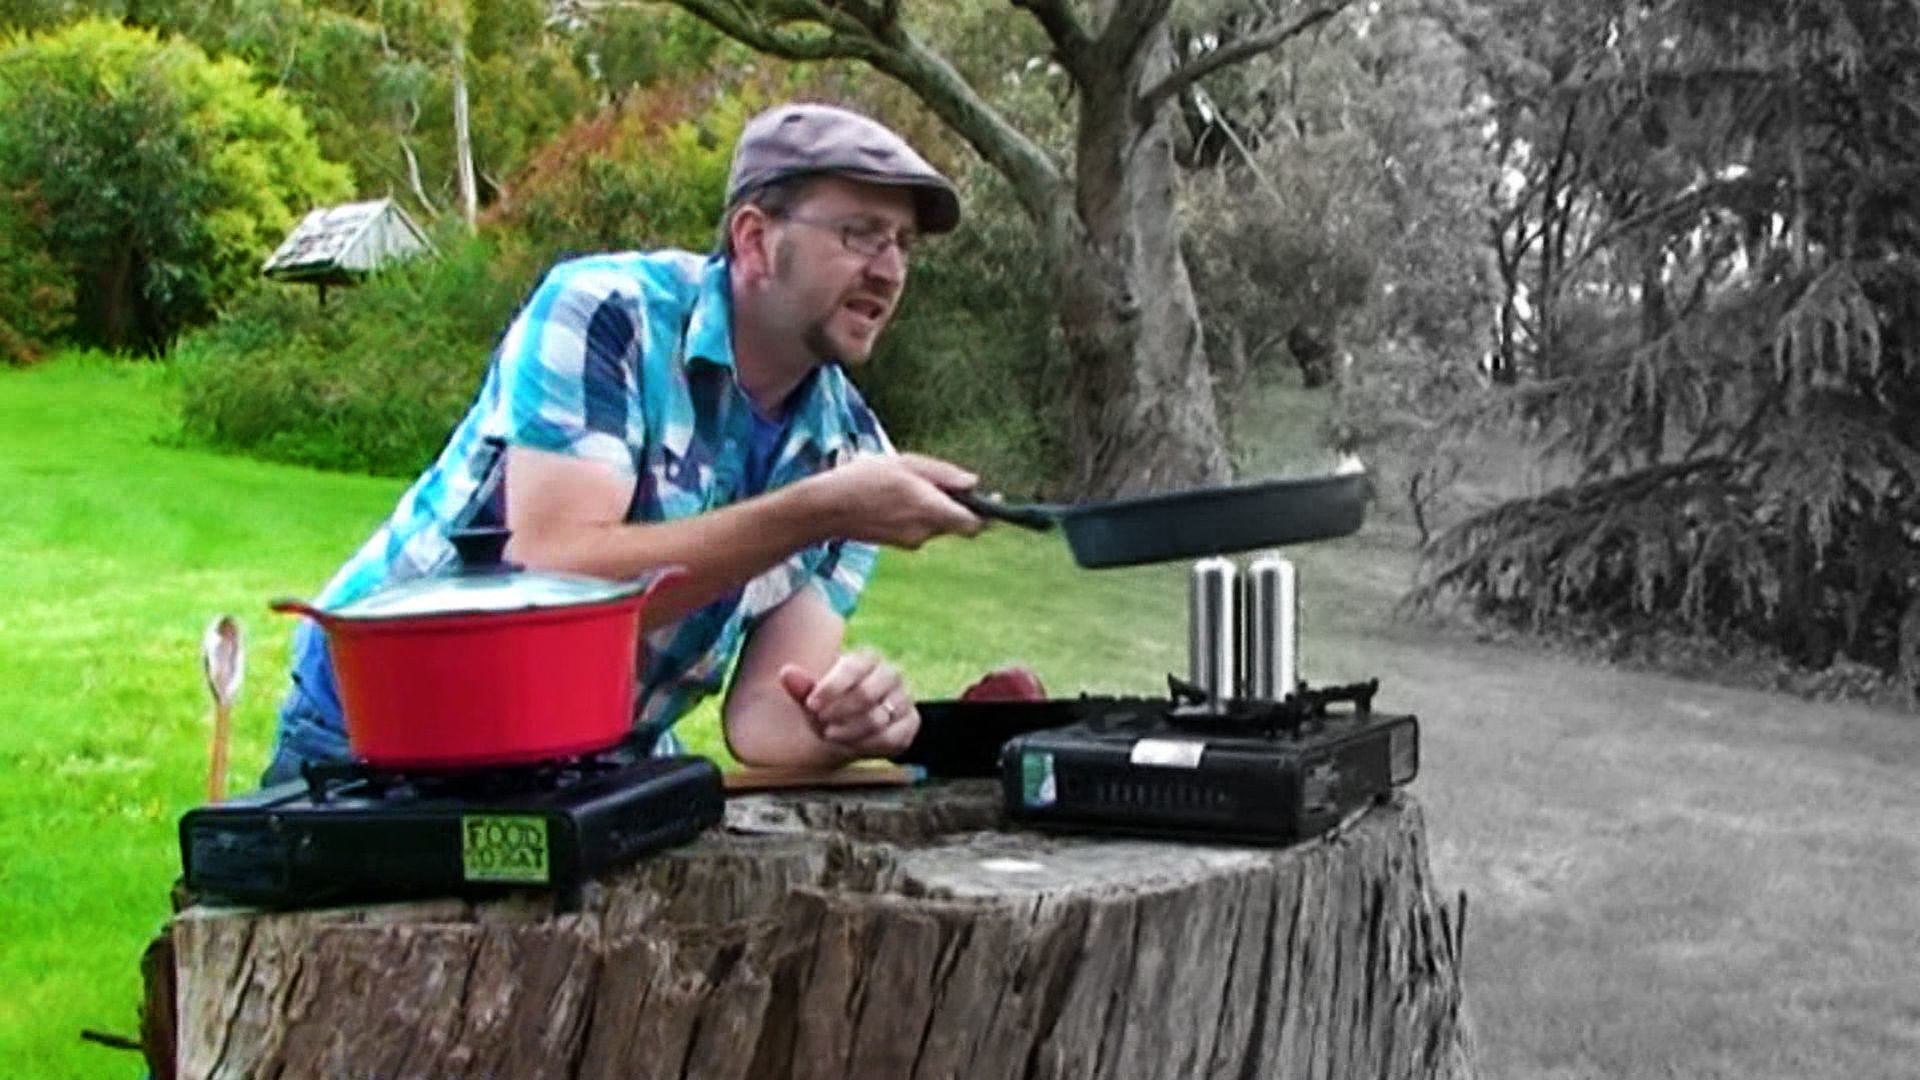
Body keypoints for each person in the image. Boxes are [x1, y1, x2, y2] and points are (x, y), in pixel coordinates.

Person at [261, 101, 988, 785]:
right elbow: (549, 576)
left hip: (592, 759)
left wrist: (851, 724)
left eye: (901, 244)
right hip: (384, 727)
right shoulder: (610, 314)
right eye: (860, 234)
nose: (889, 270)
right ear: (755, 240)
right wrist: (816, 512)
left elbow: (764, 719)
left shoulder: (856, 455)